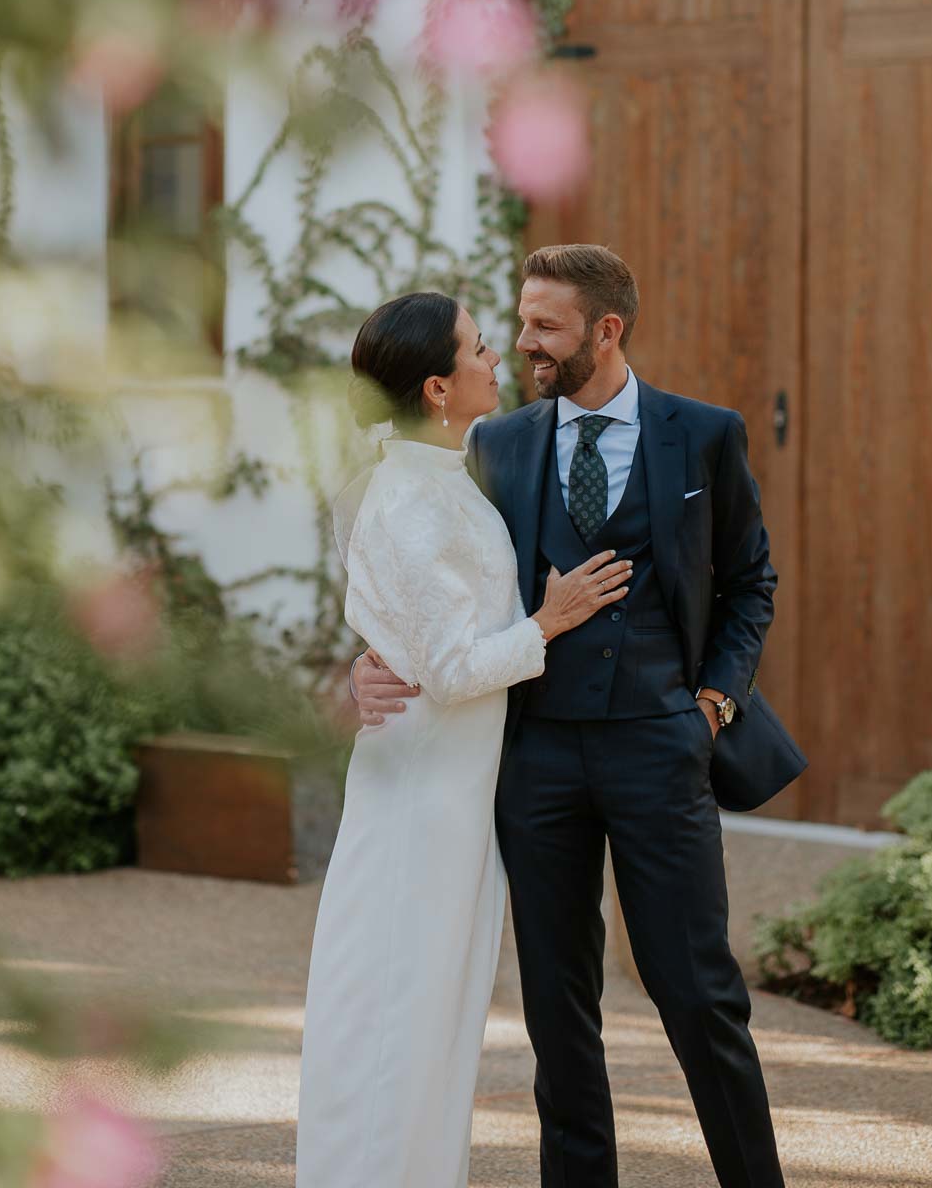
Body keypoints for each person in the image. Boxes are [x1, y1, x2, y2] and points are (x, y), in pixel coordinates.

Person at [354, 243, 802, 1188]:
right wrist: (374, 657)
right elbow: (441, 583)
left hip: (658, 746)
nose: (524, 345)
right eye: (516, 324)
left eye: (545, 326)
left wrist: (714, 702)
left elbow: (751, 580)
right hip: (536, 756)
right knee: (558, 1010)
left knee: (699, 992)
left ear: (608, 328)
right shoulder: (499, 441)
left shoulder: (704, 435)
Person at [295, 289, 633, 1188]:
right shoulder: (406, 504)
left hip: (458, 791)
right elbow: (446, 670)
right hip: (420, 800)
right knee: (395, 1015)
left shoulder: (446, 476)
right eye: (481, 350)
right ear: (440, 389)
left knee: (436, 1020)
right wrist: (552, 621)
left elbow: (421, 631)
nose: (499, 360)